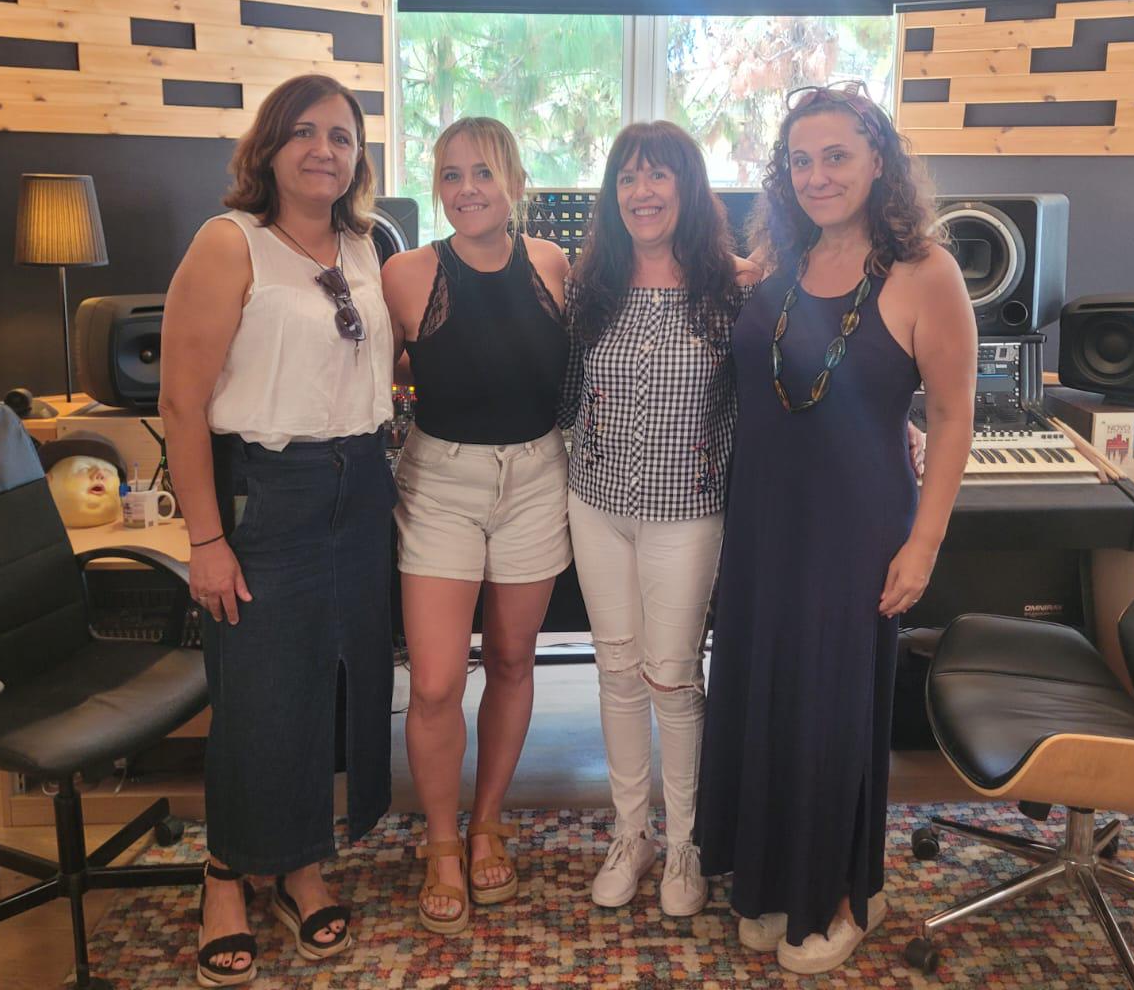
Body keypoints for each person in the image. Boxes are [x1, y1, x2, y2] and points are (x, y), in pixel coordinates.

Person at [694, 81, 975, 975]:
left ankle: (848, 892)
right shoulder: (779, 262)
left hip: (856, 525)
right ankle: (775, 880)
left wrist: (924, 542)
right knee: (767, 694)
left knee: (832, 709)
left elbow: (953, 415)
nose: (816, 176)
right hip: (763, 520)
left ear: (879, 161)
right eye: (800, 161)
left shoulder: (926, 272)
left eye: (837, 156)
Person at [159, 74, 396, 985]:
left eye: (340, 135)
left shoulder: (368, 243)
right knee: (258, 691)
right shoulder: (230, 244)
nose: (322, 150)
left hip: (361, 485)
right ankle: (226, 873)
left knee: (328, 685)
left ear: (358, 156)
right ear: (269, 146)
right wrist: (206, 540)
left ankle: (300, 866)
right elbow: (181, 405)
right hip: (269, 490)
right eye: (303, 132)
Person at [559, 121, 759, 917]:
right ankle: (630, 834)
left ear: (688, 186)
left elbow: (779, 388)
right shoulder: (591, 285)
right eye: (627, 178)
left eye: (657, 176)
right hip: (597, 505)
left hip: (689, 511)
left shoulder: (734, 287)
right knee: (615, 670)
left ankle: (686, 845)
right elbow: (567, 392)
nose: (641, 192)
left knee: (671, 676)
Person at [381, 116, 572, 935]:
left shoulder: (552, 264)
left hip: (537, 475)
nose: (467, 189)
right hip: (441, 481)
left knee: (513, 658)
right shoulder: (406, 273)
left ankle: (486, 819)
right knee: (433, 682)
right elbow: (372, 367)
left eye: (484, 172)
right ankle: (440, 840)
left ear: (516, 182)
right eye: (451, 174)